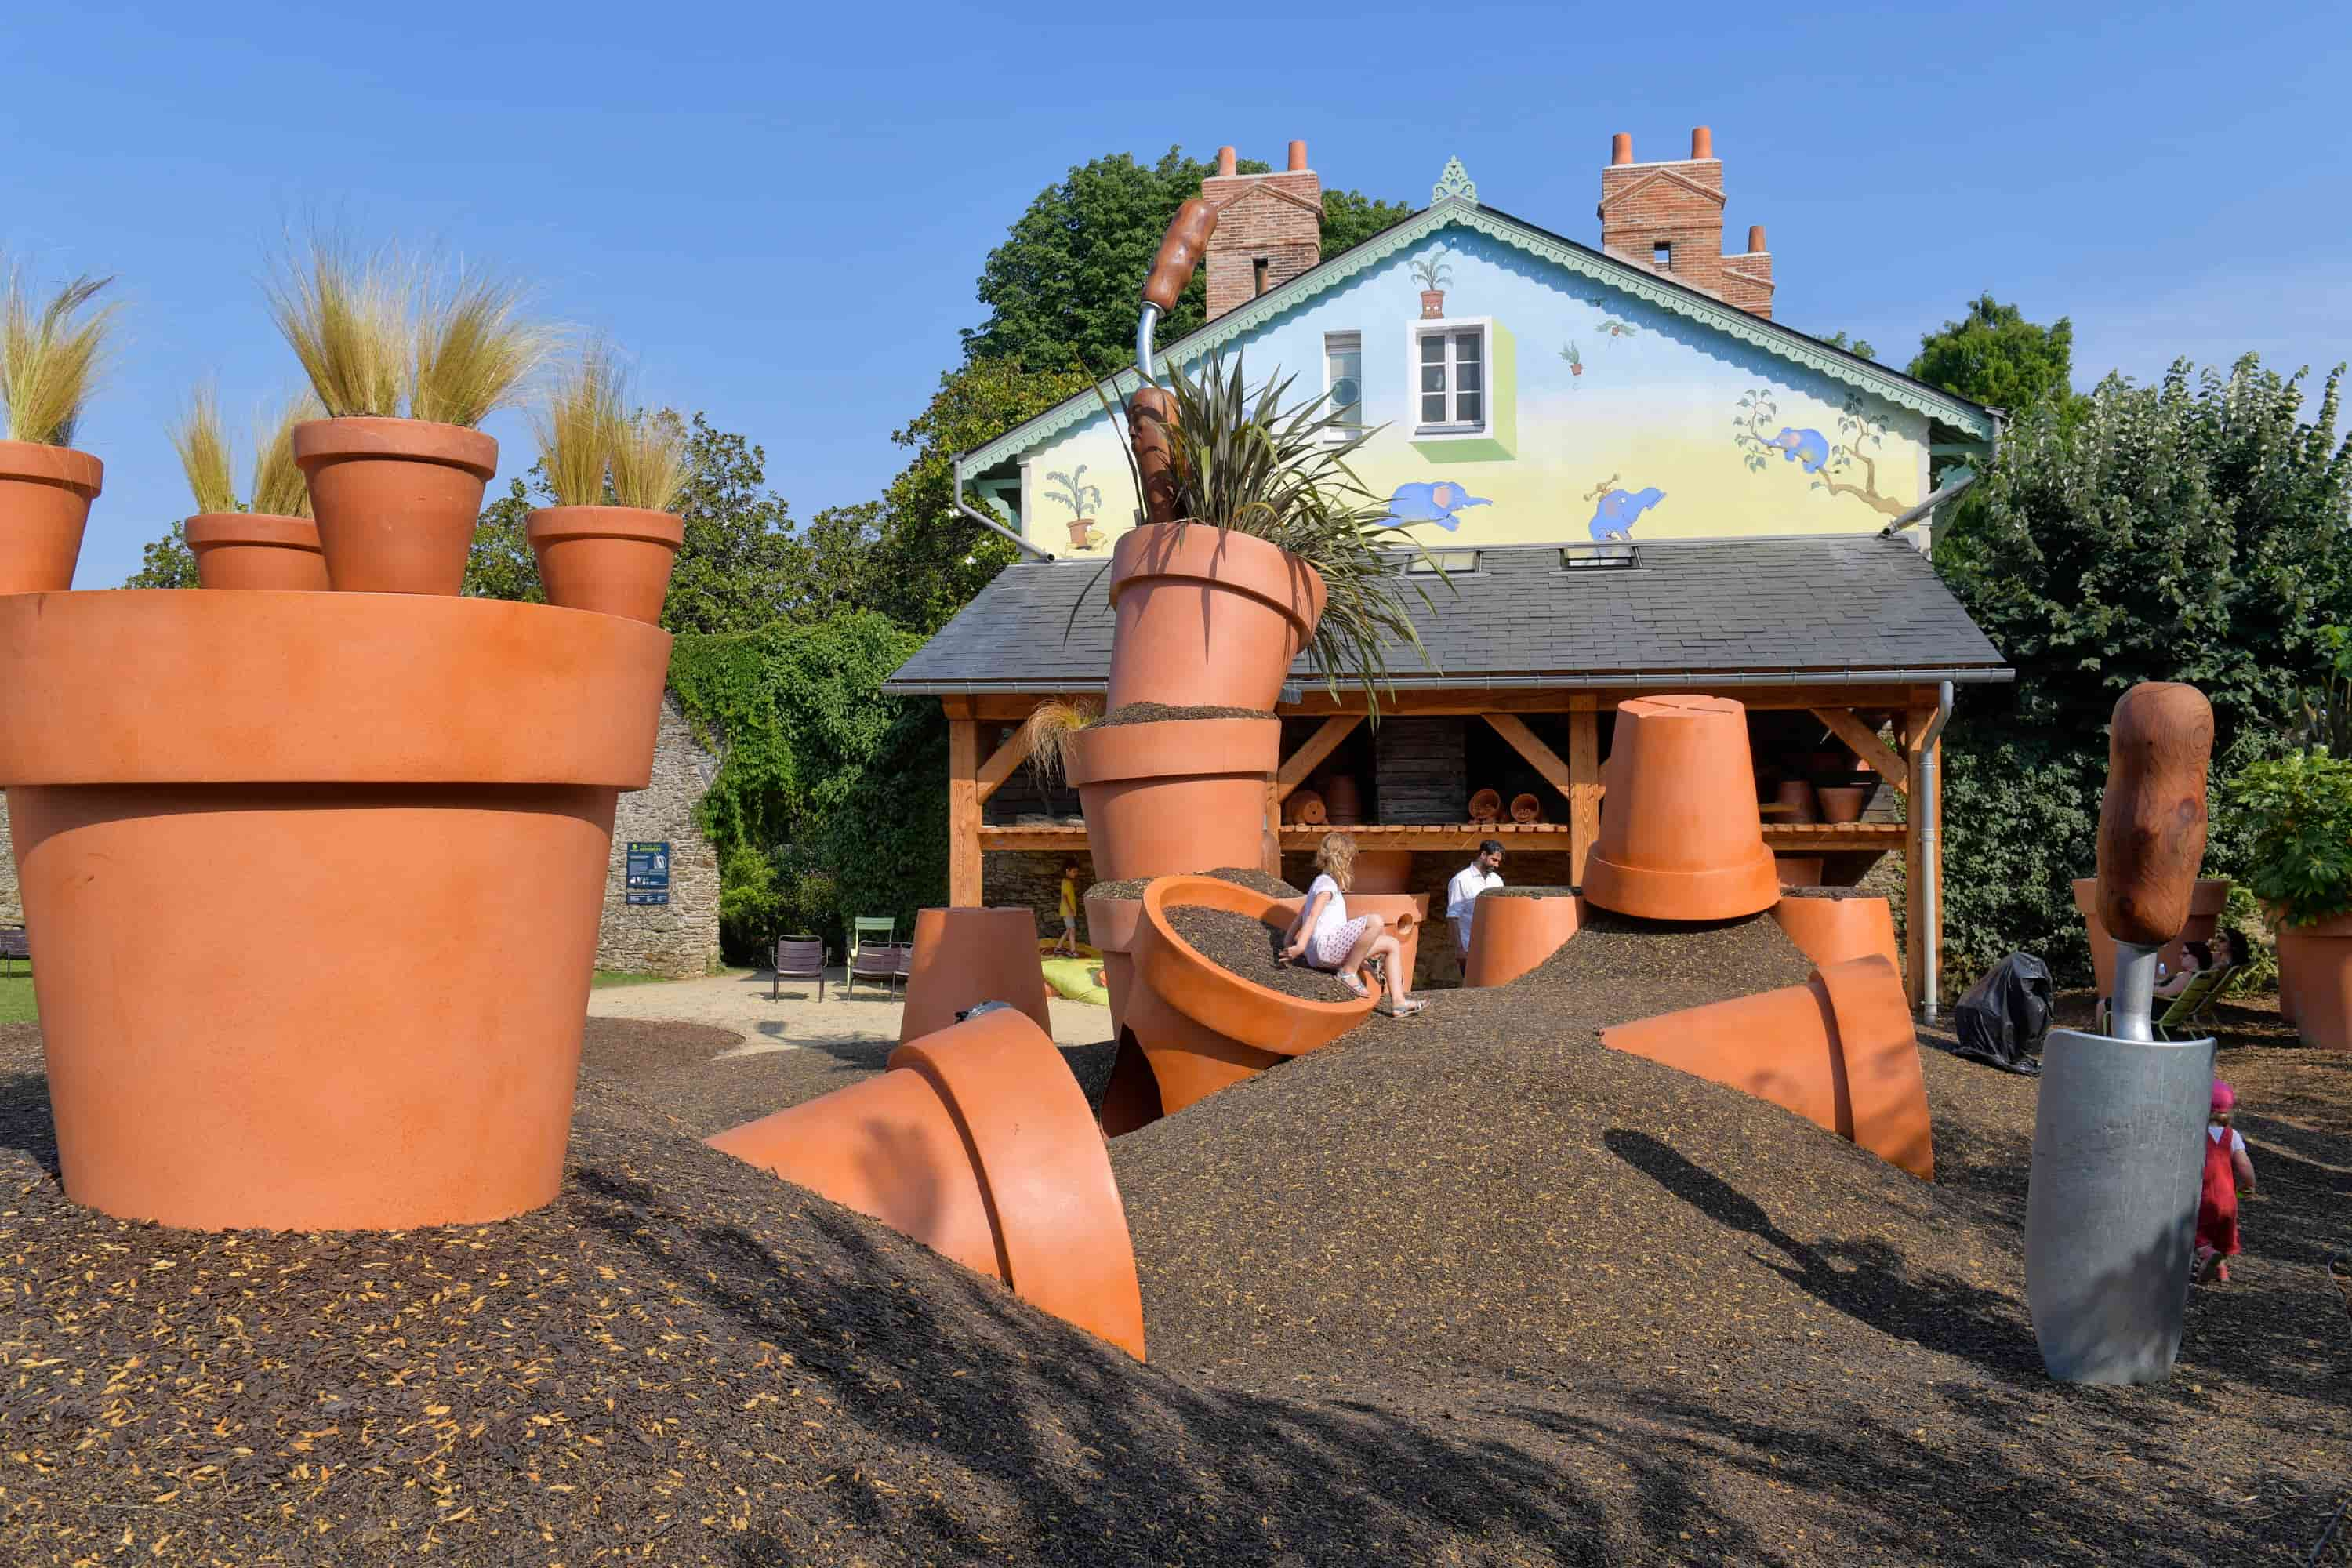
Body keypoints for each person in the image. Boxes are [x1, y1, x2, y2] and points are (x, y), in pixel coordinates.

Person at [1281, 832, 1424, 1016]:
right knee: (1375, 922)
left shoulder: (1321, 882)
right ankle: (1349, 972)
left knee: (1392, 944)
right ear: (1341, 859)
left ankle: (1398, 1002)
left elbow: (1303, 911)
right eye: (1348, 858)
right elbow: (1312, 915)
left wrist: (1287, 939)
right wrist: (1299, 946)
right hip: (1326, 949)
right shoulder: (1327, 885)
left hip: (1323, 951)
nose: (1350, 864)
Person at [2194, 1079, 2258, 1284]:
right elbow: (2244, 1165)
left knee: (2196, 1233)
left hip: (2202, 1197)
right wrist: (2249, 1185)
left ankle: (2208, 1254)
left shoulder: (2195, 1135)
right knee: (2222, 1237)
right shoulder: (2233, 1136)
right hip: (2228, 1199)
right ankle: (2221, 1271)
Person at [1446, 840, 1505, 962]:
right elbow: (1453, 917)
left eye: (1499, 861)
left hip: (1493, 946)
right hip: (1469, 946)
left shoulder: (1497, 880)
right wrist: (1459, 950)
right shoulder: (1461, 880)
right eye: (1494, 860)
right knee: (1471, 982)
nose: (1497, 865)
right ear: (1483, 855)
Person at [1052, 862, 1082, 957]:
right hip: (1067, 911)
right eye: (1073, 871)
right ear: (1067, 871)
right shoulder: (1066, 882)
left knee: (1069, 930)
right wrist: (1070, 910)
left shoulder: (1068, 882)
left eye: (1076, 872)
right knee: (1072, 930)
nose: (1075, 874)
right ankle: (1072, 951)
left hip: (1067, 910)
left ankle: (1058, 948)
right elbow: (1064, 897)